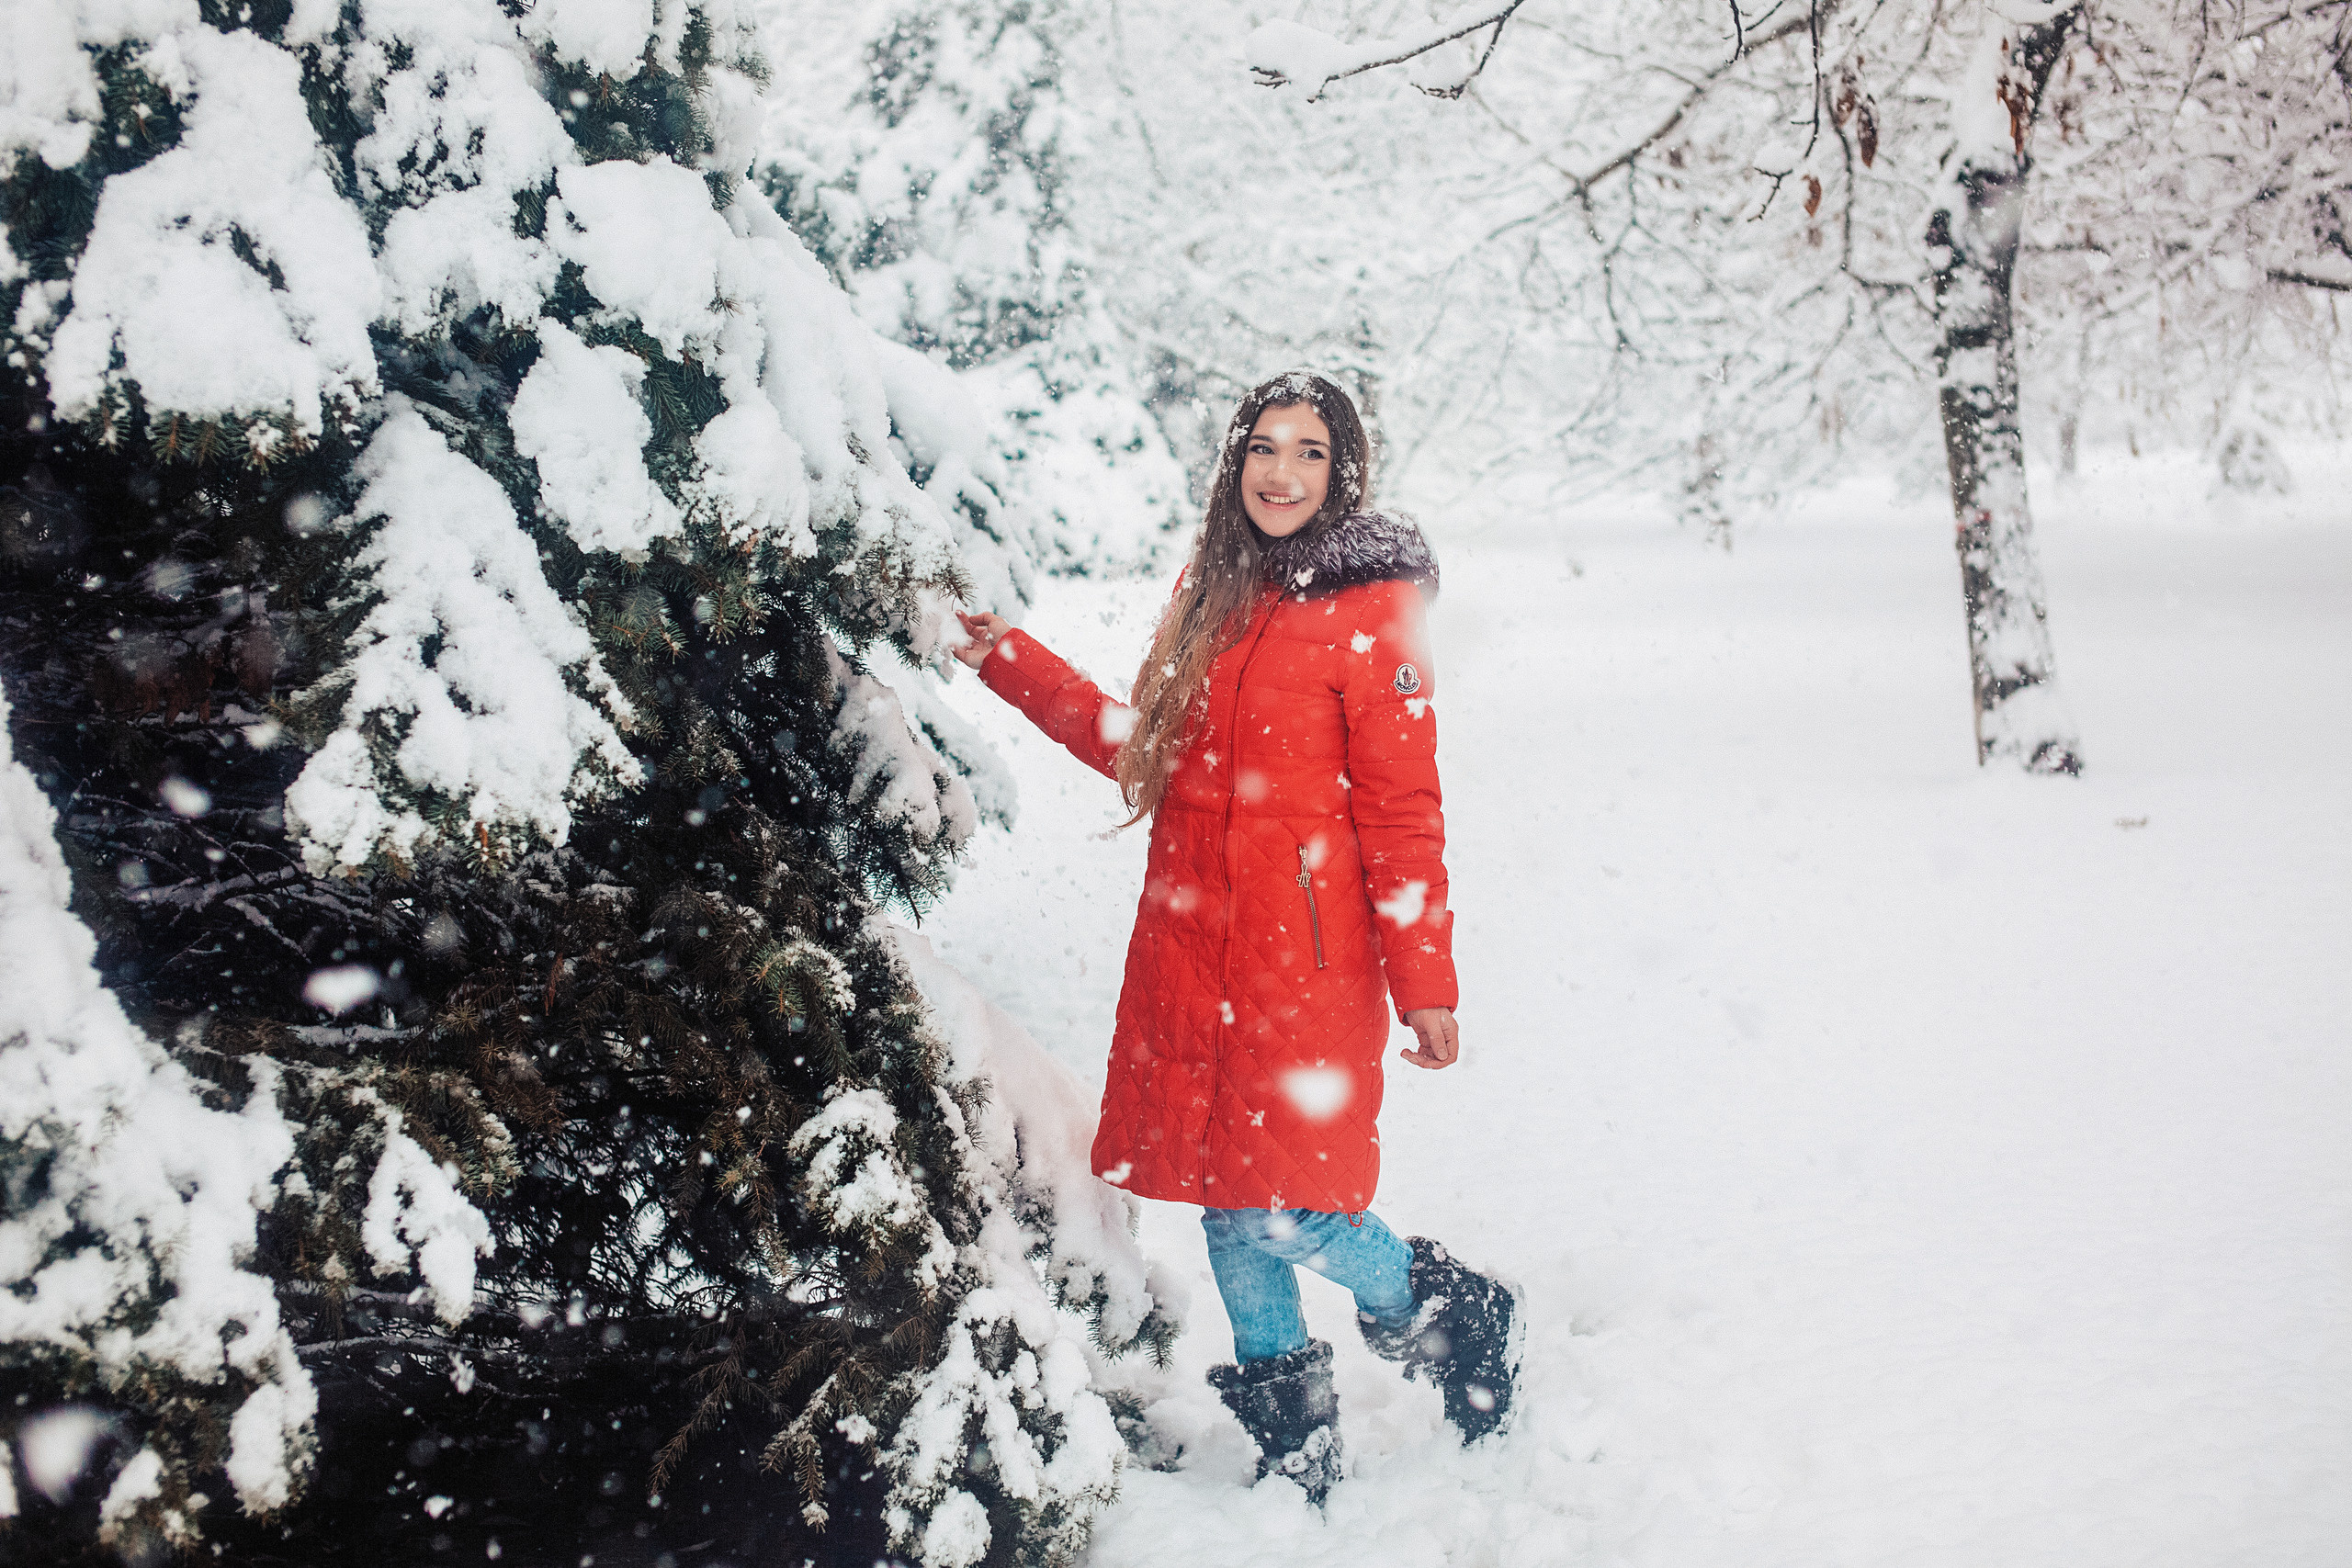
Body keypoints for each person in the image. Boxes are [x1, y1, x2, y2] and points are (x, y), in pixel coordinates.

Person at [952, 371, 1520, 1506]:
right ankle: (1294, 1442)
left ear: (1341, 469)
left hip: (1306, 962)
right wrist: (1006, 659)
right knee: (1227, 1201)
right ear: (1234, 460)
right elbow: (1138, 751)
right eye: (1265, 447)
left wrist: (1428, 985)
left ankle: (1442, 1313)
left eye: (1309, 453)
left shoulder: (1373, 615)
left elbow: (1404, 811)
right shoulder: (1209, 592)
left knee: (1288, 1204)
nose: (1281, 473)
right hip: (1190, 943)